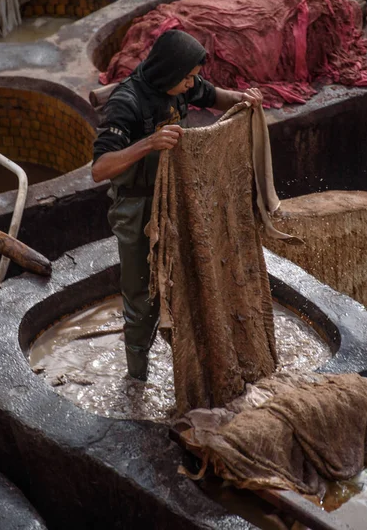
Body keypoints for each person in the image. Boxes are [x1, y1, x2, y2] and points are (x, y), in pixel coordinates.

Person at [91, 29, 262, 381]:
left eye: (193, 78)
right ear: (169, 74)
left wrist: (244, 100)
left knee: (191, 280)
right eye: (186, 79)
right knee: (142, 297)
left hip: (178, 198)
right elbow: (99, 169)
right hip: (137, 208)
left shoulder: (182, 83)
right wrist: (148, 143)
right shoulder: (126, 104)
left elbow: (215, 95)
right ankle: (136, 376)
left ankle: (192, 364)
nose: (191, 85)